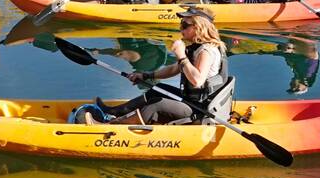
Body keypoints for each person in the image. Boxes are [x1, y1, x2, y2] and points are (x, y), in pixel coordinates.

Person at [81, 9, 231, 125]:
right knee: (157, 90)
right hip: (191, 100)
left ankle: (109, 126)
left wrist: (181, 55)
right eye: (181, 24)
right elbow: (175, 68)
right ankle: (114, 112)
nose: (180, 28)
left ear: (198, 27)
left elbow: (197, 81)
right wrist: (147, 75)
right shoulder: (196, 48)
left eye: (185, 25)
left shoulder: (206, 51)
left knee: (156, 105)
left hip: (199, 109)